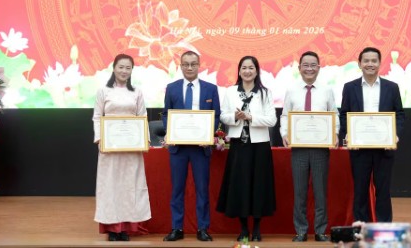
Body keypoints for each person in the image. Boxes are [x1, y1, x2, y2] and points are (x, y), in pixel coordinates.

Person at [340, 47, 405, 222]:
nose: (370, 64)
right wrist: (348, 134)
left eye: (374, 61)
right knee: (360, 190)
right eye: (366, 61)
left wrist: (395, 134)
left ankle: (383, 228)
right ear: (359, 64)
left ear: (379, 63)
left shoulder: (392, 87)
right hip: (359, 148)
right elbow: (344, 114)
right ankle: (361, 227)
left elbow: (399, 114)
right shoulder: (349, 87)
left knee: (383, 191)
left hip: (384, 148)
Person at [280, 51, 340, 242]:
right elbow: (285, 115)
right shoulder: (292, 90)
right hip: (298, 148)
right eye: (305, 65)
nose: (309, 68)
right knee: (300, 192)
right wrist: (284, 133)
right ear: (299, 68)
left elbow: (334, 114)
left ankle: (320, 231)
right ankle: (301, 230)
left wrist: (335, 133)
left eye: (313, 65)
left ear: (319, 68)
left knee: (320, 192)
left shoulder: (327, 90)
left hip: (320, 148)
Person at [162, 50, 221, 242]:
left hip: (200, 148)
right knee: (177, 190)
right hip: (178, 148)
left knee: (202, 189)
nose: (189, 67)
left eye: (193, 64)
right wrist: (170, 132)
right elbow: (166, 114)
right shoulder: (171, 88)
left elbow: (216, 115)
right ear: (180, 66)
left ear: (199, 65)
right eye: (186, 64)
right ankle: (177, 228)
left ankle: (202, 228)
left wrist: (209, 134)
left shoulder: (211, 89)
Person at [216, 56, 277, 242]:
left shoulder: (265, 93)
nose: (247, 71)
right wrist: (235, 117)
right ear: (239, 71)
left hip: (260, 146)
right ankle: (243, 228)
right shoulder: (231, 91)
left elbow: (272, 120)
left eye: (251, 68)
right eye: (244, 68)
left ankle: (256, 228)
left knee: (259, 185)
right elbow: (223, 115)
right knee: (239, 185)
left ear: (257, 71)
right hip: (239, 145)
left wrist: (251, 117)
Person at [92, 53, 151, 242]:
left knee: (129, 186)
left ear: (132, 70)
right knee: (110, 185)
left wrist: (144, 139)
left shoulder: (137, 92)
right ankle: (112, 228)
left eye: (128, 68)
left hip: (131, 147)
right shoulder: (103, 91)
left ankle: (125, 228)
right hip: (110, 147)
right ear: (114, 68)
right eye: (121, 67)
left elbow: (143, 116)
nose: (124, 71)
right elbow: (97, 117)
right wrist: (100, 139)